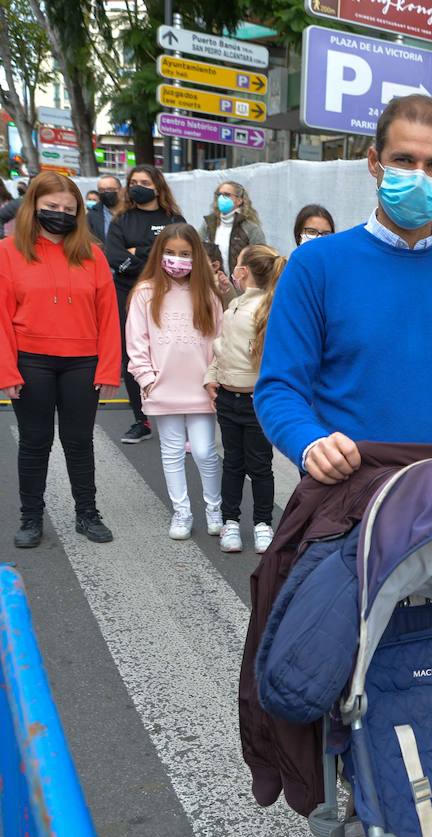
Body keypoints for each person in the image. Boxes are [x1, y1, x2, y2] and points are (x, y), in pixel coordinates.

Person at [256, 95, 432, 481]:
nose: (419, 175)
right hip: (349, 491)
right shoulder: (315, 266)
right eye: (404, 160)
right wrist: (310, 443)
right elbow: (279, 386)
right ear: (374, 162)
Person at [0, 172, 120, 548]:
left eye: (69, 209)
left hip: (82, 361)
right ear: (33, 205)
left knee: (79, 441)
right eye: (52, 207)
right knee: (35, 443)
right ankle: (31, 518)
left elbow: (109, 315)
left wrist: (109, 367)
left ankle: (87, 513)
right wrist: (6, 370)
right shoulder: (7, 252)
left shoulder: (93, 255)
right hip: (30, 360)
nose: (61, 214)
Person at [124, 223, 224, 540]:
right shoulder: (145, 293)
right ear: (159, 254)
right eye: (169, 253)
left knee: (206, 451)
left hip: (201, 388)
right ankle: (182, 512)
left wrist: (215, 378)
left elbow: (220, 342)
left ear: (196, 257)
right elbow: (136, 342)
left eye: (185, 254)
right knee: (171, 452)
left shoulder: (207, 295)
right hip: (162, 388)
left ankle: (214, 508)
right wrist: (147, 379)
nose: (176, 260)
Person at [205, 244, 283, 554]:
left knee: (245, 465)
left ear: (242, 272)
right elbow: (224, 347)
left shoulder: (263, 308)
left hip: (250, 400)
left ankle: (251, 523)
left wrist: (215, 361)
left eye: (237, 265)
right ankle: (242, 523)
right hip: (233, 398)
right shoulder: (236, 305)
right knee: (247, 465)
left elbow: (228, 347)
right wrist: (212, 374)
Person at [104, 165, 186, 445]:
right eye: (134, 181)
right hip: (127, 294)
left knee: (172, 351)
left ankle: (178, 411)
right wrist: (150, 252)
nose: (138, 185)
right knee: (134, 356)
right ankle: (142, 420)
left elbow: (180, 250)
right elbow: (114, 256)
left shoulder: (173, 217)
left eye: (145, 181)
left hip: (169, 293)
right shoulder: (121, 219)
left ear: (158, 186)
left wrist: (136, 251)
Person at [202, 180, 266, 278]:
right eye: (219, 194)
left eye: (227, 195)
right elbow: (197, 248)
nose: (221, 198)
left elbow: (261, 258)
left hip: (241, 286)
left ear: (239, 200)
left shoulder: (250, 228)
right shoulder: (209, 224)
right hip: (215, 284)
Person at [86, 175, 123, 244]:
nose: (106, 193)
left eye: (110, 189)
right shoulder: (91, 216)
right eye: (101, 190)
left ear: (120, 190)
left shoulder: (132, 210)